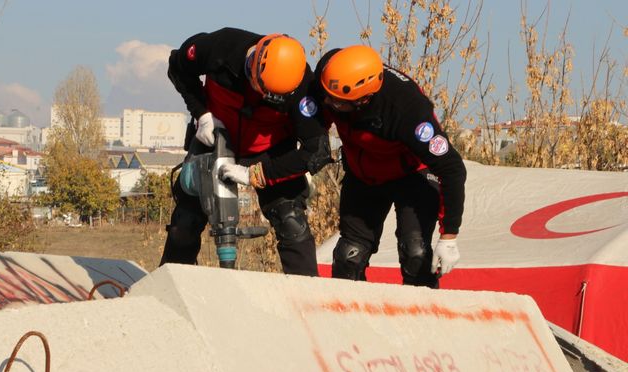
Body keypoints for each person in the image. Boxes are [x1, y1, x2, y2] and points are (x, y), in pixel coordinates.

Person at [161, 27, 331, 276]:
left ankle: (308, 300)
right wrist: (201, 113)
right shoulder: (220, 47)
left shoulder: (304, 87)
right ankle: (168, 289)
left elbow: (316, 151)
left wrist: (259, 173)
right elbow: (177, 67)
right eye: (258, 88)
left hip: (269, 150)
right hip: (215, 137)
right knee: (184, 225)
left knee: (292, 222)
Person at [313, 45, 467, 288]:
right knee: (348, 256)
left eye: (338, 102)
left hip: (412, 174)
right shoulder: (330, 76)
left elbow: (453, 168)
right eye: (327, 96)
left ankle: (422, 319)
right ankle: (348, 320)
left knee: (416, 253)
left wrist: (449, 236)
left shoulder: (409, 111)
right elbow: (313, 114)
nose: (328, 103)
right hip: (364, 174)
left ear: (364, 99)